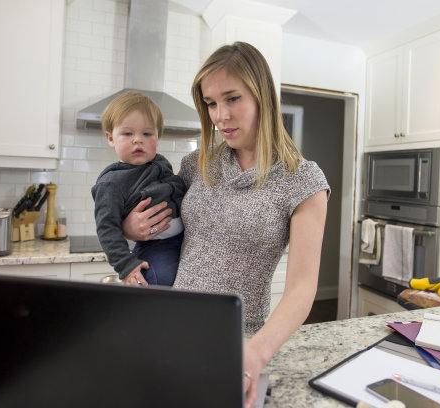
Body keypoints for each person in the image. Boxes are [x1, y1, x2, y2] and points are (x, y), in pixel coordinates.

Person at [122, 42, 329, 407]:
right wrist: (130, 228)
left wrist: (257, 352)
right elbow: (159, 228)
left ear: (262, 95)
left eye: (232, 99)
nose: (220, 116)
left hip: (240, 344)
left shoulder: (303, 181)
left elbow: (302, 288)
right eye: (211, 103)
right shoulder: (196, 163)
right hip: (169, 327)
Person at [92, 90, 185, 286]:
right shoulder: (111, 182)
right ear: (110, 138)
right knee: (158, 280)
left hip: (185, 240)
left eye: (147, 133)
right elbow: (107, 229)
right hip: (157, 245)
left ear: (158, 137)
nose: (138, 139)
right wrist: (125, 265)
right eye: (127, 133)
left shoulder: (161, 163)